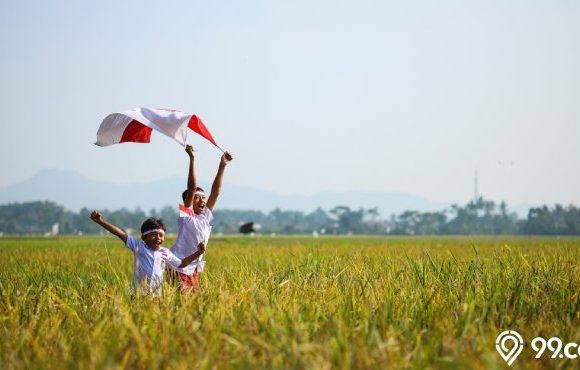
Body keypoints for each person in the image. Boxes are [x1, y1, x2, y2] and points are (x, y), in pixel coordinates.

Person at [90, 211, 205, 295]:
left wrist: (198, 252)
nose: (158, 238)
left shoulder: (165, 252)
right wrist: (100, 221)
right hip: (138, 295)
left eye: (161, 235)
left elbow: (182, 263)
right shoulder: (139, 247)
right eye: (153, 234)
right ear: (144, 237)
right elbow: (120, 233)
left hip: (157, 297)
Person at [168, 144, 233, 292]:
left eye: (203, 198)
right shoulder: (186, 217)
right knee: (183, 301)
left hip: (193, 269)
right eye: (196, 198)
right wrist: (192, 159)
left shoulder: (205, 218)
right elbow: (192, 188)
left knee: (196, 304)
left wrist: (222, 165)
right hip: (179, 266)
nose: (202, 201)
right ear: (188, 202)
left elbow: (215, 192)